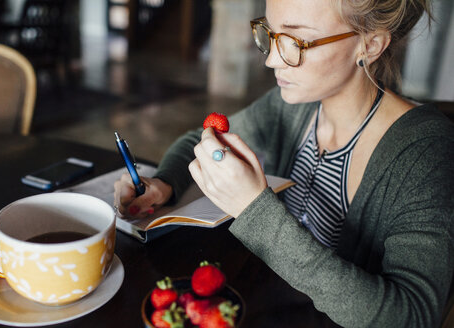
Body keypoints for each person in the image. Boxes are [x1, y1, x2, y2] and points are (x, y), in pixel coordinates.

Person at [114, 0, 454, 326]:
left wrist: (253, 208)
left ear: (371, 44)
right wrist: (162, 184)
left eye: (296, 41)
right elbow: (197, 139)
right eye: (271, 34)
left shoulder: (425, 153)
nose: (271, 60)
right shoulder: (292, 105)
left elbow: (412, 316)